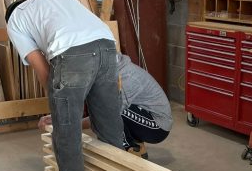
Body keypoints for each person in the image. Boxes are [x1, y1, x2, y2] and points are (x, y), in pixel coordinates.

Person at [5, 0, 124, 171]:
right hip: (107, 44)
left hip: (71, 52)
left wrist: (57, 106)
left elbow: (43, 70)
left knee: (66, 126)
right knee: (109, 120)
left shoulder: (14, 21)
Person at [39, 52, 173, 159]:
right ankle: (135, 145)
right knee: (108, 108)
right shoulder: (111, 71)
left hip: (158, 127)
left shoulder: (126, 78)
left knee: (112, 111)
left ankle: (129, 152)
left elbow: (107, 115)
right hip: (144, 117)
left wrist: (70, 124)